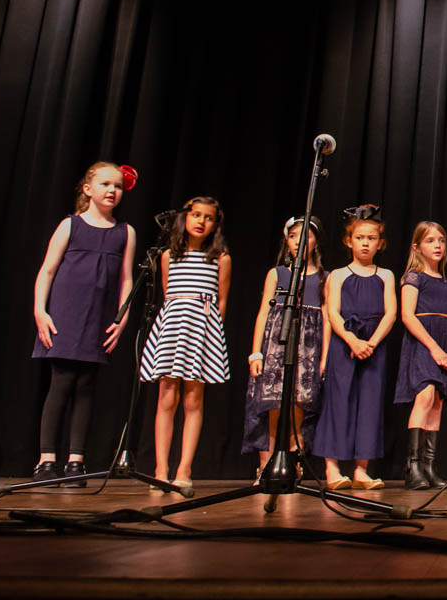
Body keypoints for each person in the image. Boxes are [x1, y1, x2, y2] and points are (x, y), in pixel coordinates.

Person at [31, 162, 138, 485]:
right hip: (65, 314)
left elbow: (126, 280)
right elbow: (47, 270)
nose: (112, 190)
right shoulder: (71, 225)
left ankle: (76, 460)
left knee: (86, 386)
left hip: (99, 318)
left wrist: (121, 320)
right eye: (106, 184)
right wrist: (40, 311)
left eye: (118, 186)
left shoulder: (125, 232)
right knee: (61, 381)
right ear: (88, 189)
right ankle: (46, 459)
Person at [141, 197, 231, 493]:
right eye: (195, 215)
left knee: (193, 400)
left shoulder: (220, 259)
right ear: (185, 217)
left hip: (202, 329)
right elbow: (168, 297)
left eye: (208, 217)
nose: (201, 221)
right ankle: (161, 469)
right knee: (166, 397)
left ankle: (184, 468)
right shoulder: (168, 256)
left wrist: (212, 336)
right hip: (173, 327)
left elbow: (221, 303)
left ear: (215, 224)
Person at [312, 205, 397, 490]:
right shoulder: (337, 275)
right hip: (344, 343)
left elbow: (391, 314)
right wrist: (353, 341)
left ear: (380, 243)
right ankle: (332, 468)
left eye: (371, 238)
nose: (365, 243)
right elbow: (332, 313)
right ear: (349, 241)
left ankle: (362, 469)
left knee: (370, 404)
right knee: (338, 402)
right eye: (360, 237)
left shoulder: (386, 275)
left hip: (374, 346)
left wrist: (370, 343)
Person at [243, 216, 328, 477]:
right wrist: (256, 352)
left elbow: (327, 319)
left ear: (316, 240)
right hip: (276, 348)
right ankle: (266, 467)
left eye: (306, 235)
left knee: (298, 409)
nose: (299, 241)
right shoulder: (277, 273)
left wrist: (324, 358)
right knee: (273, 406)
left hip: (308, 350)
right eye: (293, 236)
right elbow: (263, 314)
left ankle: (293, 465)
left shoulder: (324, 278)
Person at [394, 221, 447, 490]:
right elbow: (407, 316)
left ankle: (429, 466)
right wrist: (433, 347)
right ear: (417, 247)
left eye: (441, 240)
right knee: (425, 395)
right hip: (425, 343)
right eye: (430, 240)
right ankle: (412, 467)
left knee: (437, 402)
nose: (437, 245)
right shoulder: (414, 277)